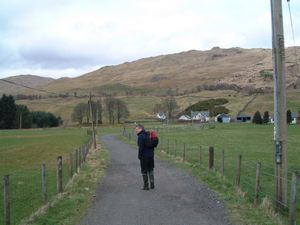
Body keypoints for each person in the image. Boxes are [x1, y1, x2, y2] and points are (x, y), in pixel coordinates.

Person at [135, 124, 155, 190]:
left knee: (144, 171)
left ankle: (146, 186)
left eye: (137, 129)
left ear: (141, 129)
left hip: (144, 156)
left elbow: (141, 148)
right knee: (150, 169)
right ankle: (152, 184)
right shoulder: (148, 135)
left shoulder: (141, 136)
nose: (136, 131)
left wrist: (139, 156)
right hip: (151, 155)